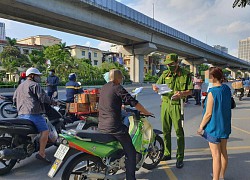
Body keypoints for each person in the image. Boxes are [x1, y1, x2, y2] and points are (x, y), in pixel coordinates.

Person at [98, 69, 153, 180]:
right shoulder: (117, 87)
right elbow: (133, 102)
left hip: (102, 125)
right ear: (118, 78)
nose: (122, 80)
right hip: (114, 127)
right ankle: (131, 178)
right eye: (121, 78)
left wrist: (123, 107)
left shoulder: (104, 87)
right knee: (131, 152)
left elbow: (111, 103)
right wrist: (146, 112)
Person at [152, 53, 193, 168]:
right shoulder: (165, 74)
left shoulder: (185, 74)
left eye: (171, 64)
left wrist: (182, 93)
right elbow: (156, 85)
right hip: (165, 104)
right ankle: (167, 153)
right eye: (167, 64)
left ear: (177, 63)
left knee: (179, 132)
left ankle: (180, 157)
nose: (168, 66)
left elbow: (190, 91)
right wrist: (155, 87)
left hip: (177, 105)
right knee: (166, 131)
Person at [13, 67, 55, 163]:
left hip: (21, 115)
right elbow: (43, 98)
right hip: (33, 114)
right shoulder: (35, 85)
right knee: (45, 131)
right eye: (38, 76)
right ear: (32, 76)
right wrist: (52, 102)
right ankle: (42, 153)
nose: (39, 78)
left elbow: (14, 99)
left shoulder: (20, 86)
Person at [197, 67, 231, 180]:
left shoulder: (212, 92)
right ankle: (221, 175)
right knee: (223, 152)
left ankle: (215, 178)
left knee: (216, 155)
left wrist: (201, 127)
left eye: (207, 76)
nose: (206, 79)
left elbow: (208, 114)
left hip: (214, 127)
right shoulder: (226, 88)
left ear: (212, 77)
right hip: (224, 126)